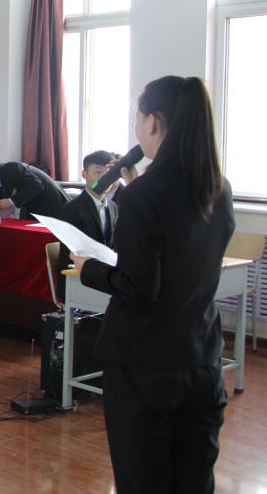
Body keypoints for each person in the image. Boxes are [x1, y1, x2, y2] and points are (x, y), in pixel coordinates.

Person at [71, 76, 234, 494]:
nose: (136, 129)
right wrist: (136, 188)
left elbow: (138, 286)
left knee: (144, 482)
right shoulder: (218, 188)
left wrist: (89, 269)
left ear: (154, 123)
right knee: (194, 481)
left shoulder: (144, 196)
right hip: (201, 360)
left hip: (146, 366)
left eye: (138, 119)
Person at [54, 150, 125, 297]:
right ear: (84, 174)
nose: (104, 178)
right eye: (98, 172)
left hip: (103, 274)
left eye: (109, 173)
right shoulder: (72, 210)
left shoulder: (113, 207)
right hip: (79, 278)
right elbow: (73, 254)